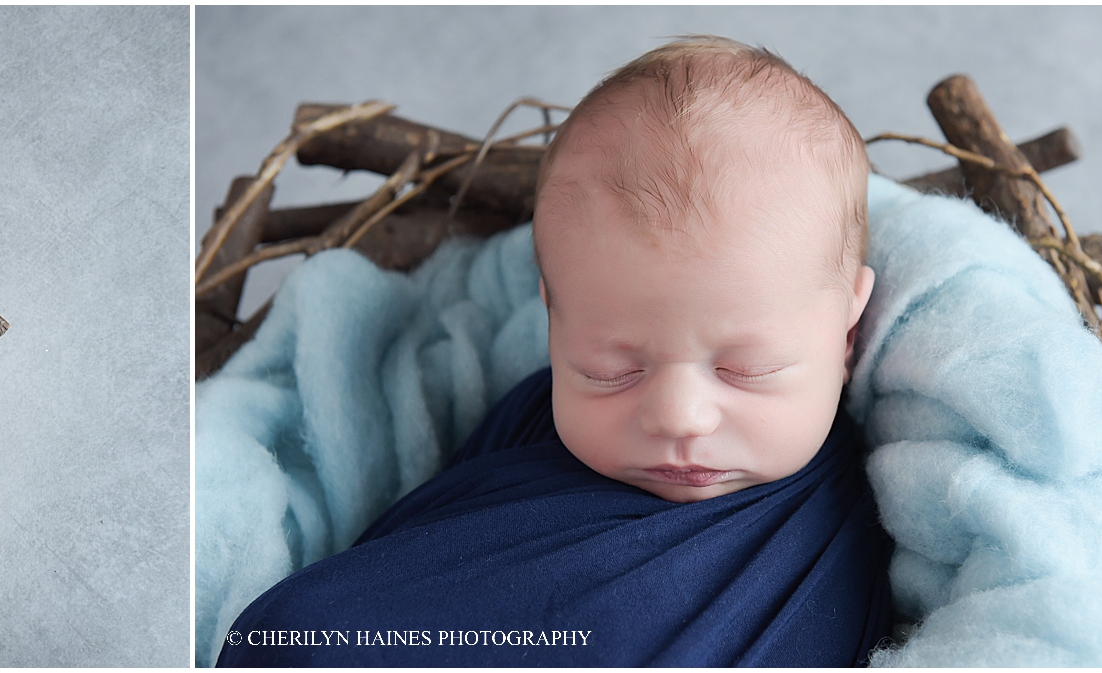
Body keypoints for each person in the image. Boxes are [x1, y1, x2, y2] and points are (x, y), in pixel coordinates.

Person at [218, 36, 893, 667]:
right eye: (611, 368)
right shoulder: (527, 417)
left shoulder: (868, 504)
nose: (680, 416)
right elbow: (425, 542)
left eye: (747, 369)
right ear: (554, 322)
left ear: (845, 332)